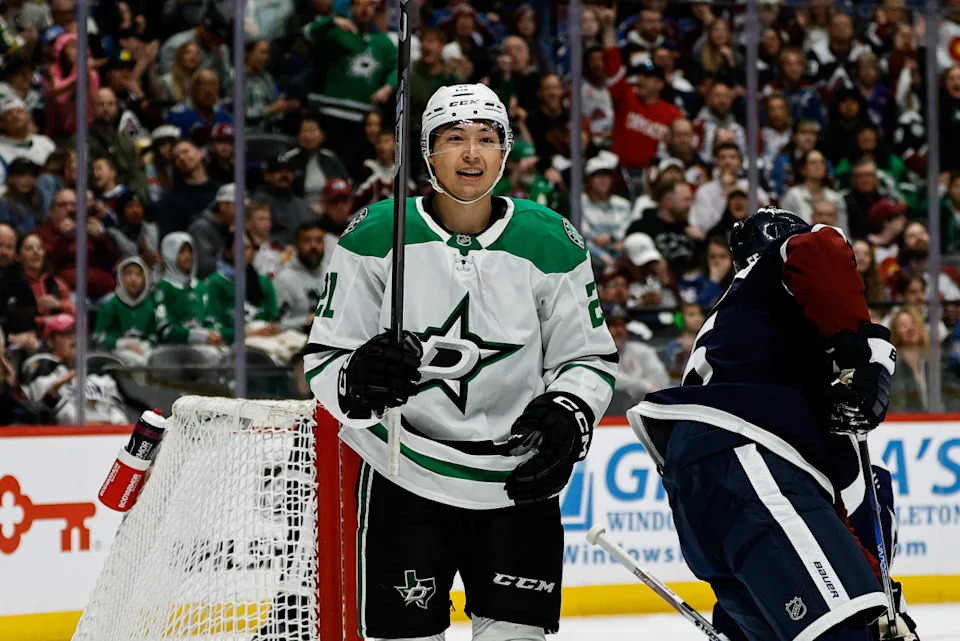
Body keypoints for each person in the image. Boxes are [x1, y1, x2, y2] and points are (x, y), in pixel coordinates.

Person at [301, 83, 617, 641]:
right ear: (427, 153)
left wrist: (570, 408)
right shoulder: (376, 234)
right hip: (404, 471)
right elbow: (325, 358)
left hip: (518, 479)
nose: (471, 153)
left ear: (505, 151)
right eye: (454, 138)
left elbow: (588, 356)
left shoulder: (552, 241)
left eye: (486, 139)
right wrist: (359, 379)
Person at [627, 207, 917, 641]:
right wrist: (856, 352)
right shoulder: (778, 276)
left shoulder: (744, 330)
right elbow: (820, 246)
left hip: (711, 488)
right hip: (752, 459)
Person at [153, 232, 222, 347]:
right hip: (173, 348)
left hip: (205, 343)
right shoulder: (163, 288)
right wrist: (199, 336)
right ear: (169, 254)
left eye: (190, 251)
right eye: (182, 251)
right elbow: (163, 328)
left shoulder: (201, 286)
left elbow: (210, 318)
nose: (188, 256)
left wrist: (213, 334)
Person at [92, 257, 156, 367]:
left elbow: (153, 335)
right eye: (128, 274)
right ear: (121, 277)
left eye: (138, 274)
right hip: (116, 351)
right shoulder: (111, 304)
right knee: (139, 363)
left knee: (156, 360)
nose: (133, 279)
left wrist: (144, 345)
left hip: (143, 349)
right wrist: (123, 344)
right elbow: (98, 337)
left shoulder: (149, 305)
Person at [274, 221, 326, 333]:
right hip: (296, 342)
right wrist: (306, 321)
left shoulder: (331, 274)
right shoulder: (284, 279)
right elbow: (275, 324)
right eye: (307, 240)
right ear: (296, 244)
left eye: (318, 241)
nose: (313, 246)